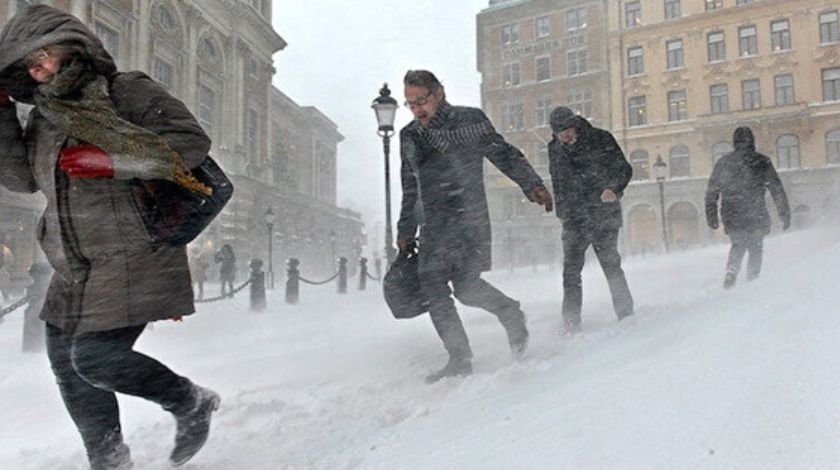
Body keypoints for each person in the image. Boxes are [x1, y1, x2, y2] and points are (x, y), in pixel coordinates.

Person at [0, 6, 219, 468]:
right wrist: (2, 114)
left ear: (70, 45)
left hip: (134, 251)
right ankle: (109, 460)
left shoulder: (126, 91)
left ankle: (189, 401)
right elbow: (21, 179)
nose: (36, 69)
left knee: (96, 358)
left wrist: (112, 160)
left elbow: (191, 143)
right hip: (73, 259)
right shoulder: (44, 114)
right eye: (27, 65)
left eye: (42, 55)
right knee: (68, 366)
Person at [397, 70, 553, 383]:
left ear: (438, 93)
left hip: (468, 218)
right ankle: (459, 357)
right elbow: (409, 184)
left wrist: (531, 184)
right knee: (433, 287)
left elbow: (503, 153)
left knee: (467, 289)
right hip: (433, 225)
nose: (416, 109)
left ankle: (509, 312)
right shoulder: (409, 135)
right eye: (410, 103)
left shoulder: (469, 121)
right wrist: (405, 228)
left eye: (421, 101)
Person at [547, 106, 634, 334]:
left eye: (567, 129)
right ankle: (571, 322)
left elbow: (623, 168)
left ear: (574, 124)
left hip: (603, 214)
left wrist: (613, 189)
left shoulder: (600, 138)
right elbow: (558, 182)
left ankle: (626, 314)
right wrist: (562, 212)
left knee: (611, 265)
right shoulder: (554, 149)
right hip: (574, 219)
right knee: (570, 271)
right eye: (559, 132)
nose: (564, 135)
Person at [705, 126, 791, 289]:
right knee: (755, 247)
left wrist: (712, 216)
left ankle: (732, 271)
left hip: (731, 213)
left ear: (734, 142)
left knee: (737, 244)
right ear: (752, 141)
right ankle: (752, 281)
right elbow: (776, 188)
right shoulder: (761, 161)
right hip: (755, 211)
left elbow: (712, 191)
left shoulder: (723, 162)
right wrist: (784, 213)